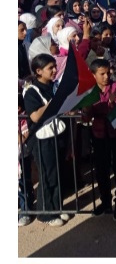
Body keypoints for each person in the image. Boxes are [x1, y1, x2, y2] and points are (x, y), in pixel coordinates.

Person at [22, 54, 69, 227]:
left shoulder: (54, 86)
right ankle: (46, 213)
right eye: (50, 68)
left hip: (57, 134)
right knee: (47, 175)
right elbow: (34, 116)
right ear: (38, 71)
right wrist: (51, 104)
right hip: (42, 139)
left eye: (55, 66)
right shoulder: (31, 91)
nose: (55, 70)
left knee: (58, 172)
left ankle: (56, 207)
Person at [83, 58, 116, 221]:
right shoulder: (90, 91)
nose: (106, 76)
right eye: (102, 74)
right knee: (101, 169)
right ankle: (105, 201)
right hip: (99, 134)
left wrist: (111, 104)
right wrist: (87, 109)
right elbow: (86, 117)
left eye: (108, 73)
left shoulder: (115, 87)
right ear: (93, 75)